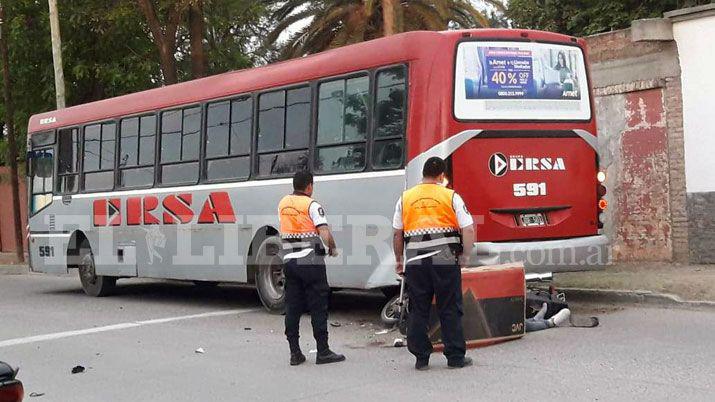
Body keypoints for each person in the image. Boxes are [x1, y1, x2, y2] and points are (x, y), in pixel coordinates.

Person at [392, 157, 475, 370]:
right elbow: (468, 229)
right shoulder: (451, 196)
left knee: (419, 308)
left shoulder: (405, 198)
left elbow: (397, 234)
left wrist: (399, 260)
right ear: (441, 176)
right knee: (449, 307)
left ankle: (421, 357)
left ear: (424, 174)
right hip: (446, 261)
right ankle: (455, 357)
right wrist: (465, 256)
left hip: (417, 263)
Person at [278, 170, 345, 366]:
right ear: (309, 186)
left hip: (290, 261)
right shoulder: (312, 204)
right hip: (311, 261)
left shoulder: (282, 204)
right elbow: (323, 232)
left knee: (292, 307)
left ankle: (295, 353)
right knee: (318, 306)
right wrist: (332, 247)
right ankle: (323, 351)